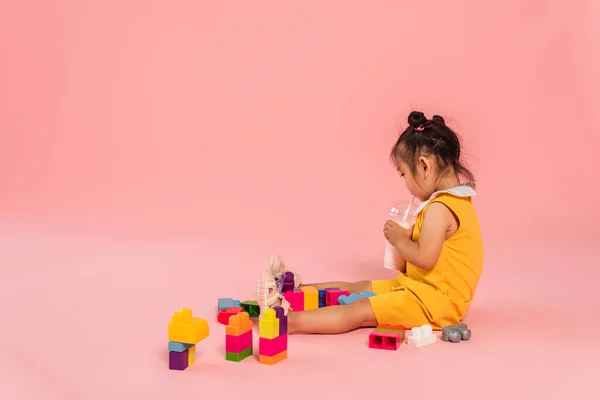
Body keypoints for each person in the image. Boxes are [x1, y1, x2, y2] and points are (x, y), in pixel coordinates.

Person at [256, 111, 484, 334]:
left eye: (403, 173)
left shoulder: (439, 209)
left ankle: (286, 319)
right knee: (358, 287)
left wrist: (400, 239)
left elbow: (425, 259)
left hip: (434, 303)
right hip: (421, 290)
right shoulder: (457, 200)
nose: (405, 183)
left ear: (424, 166)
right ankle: (291, 291)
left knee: (360, 309)